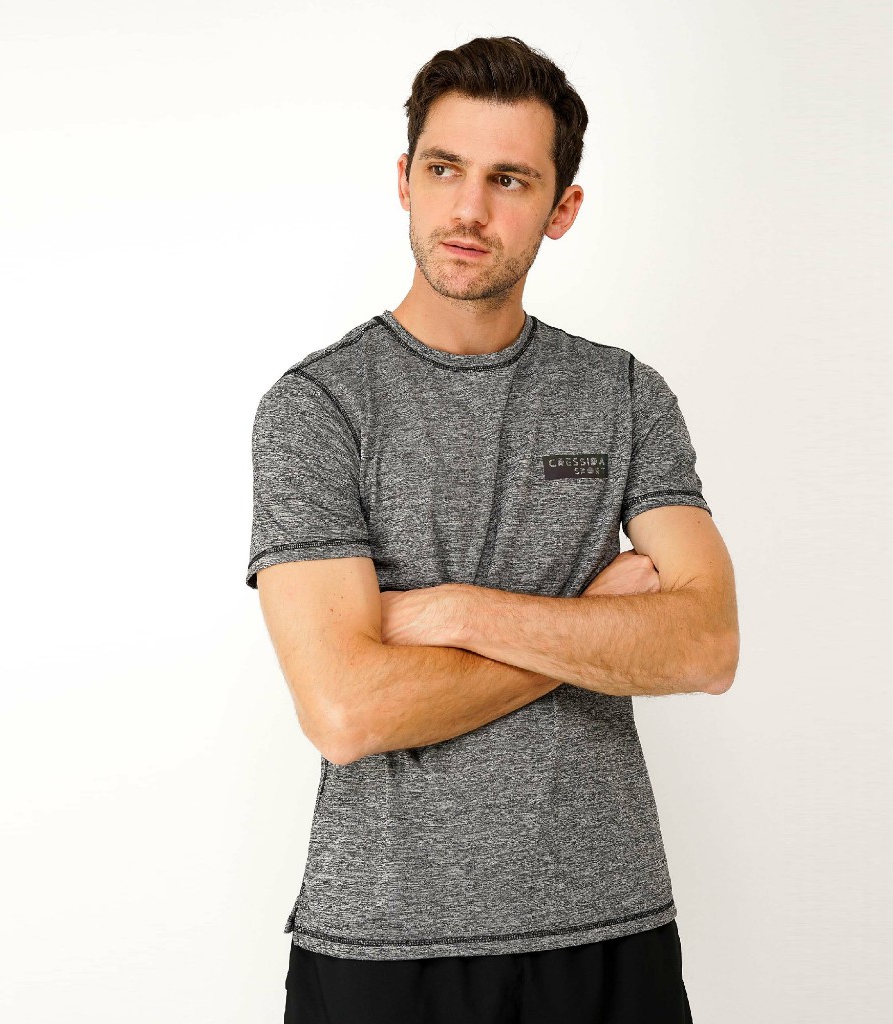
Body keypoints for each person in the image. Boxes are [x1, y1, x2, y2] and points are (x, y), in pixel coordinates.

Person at [246, 34, 739, 1024]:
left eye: (509, 179)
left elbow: (705, 644)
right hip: (383, 944)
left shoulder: (623, 396)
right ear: (404, 181)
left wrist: (451, 611)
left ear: (562, 209)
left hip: (609, 931)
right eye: (444, 169)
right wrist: (588, 624)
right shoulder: (318, 409)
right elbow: (345, 710)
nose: (469, 208)